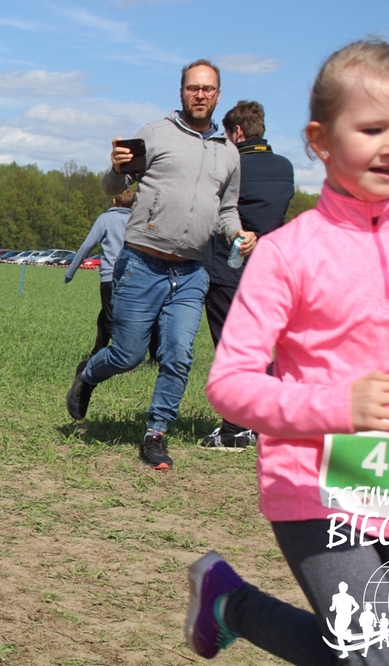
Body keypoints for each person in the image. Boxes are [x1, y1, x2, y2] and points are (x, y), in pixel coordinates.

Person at [184, 40, 389, 665]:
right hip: (312, 481)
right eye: (371, 129)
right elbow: (230, 383)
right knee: (375, 659)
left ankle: (229, 603)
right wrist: (340, 408)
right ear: (321, 140)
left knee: (378, 659)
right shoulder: (288, 253)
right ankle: (232, 604)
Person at [66, 59, 256, 470]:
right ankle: (89, 374)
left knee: (178, 356)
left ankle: (155, 433)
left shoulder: (228, 153)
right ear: (182, 91)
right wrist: (116, 167)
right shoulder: (155, 134)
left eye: (207, 88)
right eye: (193, 87)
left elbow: (226, 210)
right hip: (142, 264)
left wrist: (238, 234)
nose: (200, 94)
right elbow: (113, 185)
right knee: (128, 355)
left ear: (218, 95)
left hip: (191, 272)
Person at [199, 100, 295, 452]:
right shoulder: (284, 166)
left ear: (237, 132)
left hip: (229, 268)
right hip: (270, 271)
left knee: (232, 348)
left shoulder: (232, 164)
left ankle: (235, 429)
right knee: (259, 346)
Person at [63, 189, 136, 358]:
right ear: (134, 205)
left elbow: (87, 246)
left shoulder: (105, 219)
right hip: (134, 277)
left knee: (111, 319)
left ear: (114, 201)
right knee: (106, 316)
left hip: (110, 277)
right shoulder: (137, 220)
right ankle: (97, 352)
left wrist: (70, 273)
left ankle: (123, 358)